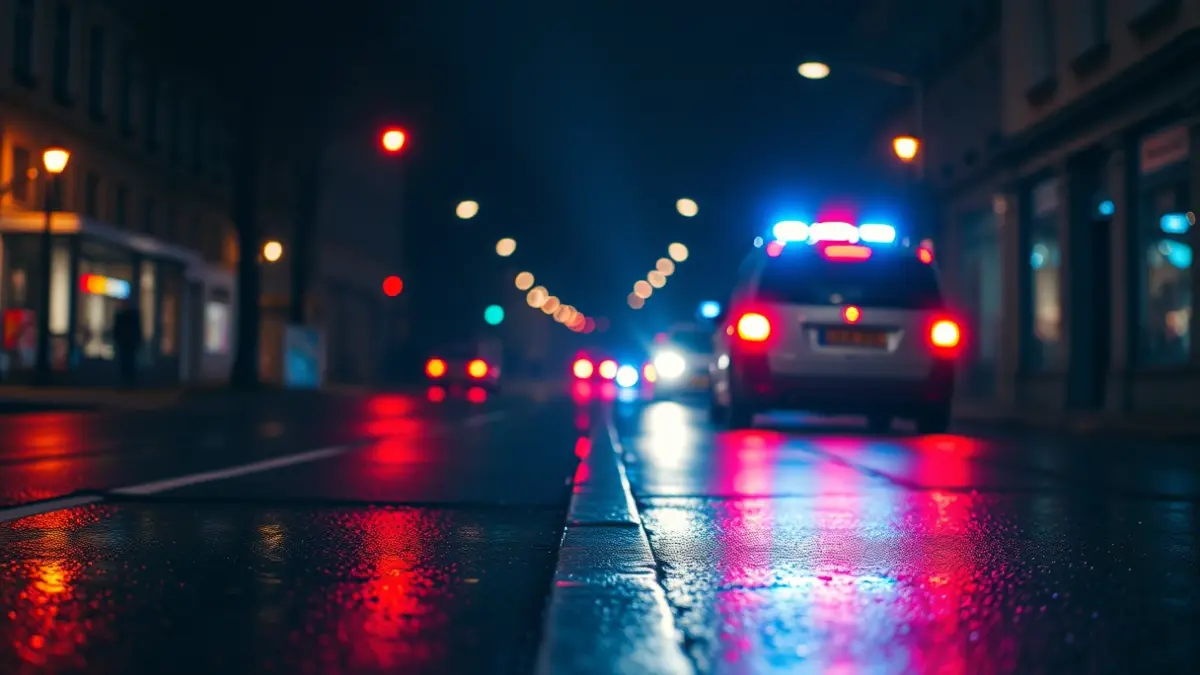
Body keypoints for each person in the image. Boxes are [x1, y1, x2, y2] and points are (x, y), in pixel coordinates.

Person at [113, 300, 142, 388]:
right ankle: (126, 382)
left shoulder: (128, 317)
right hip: (125, 344)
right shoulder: (124, 317)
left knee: (128, 363)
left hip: (128, 344)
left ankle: (128, 382)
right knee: (126, 363)